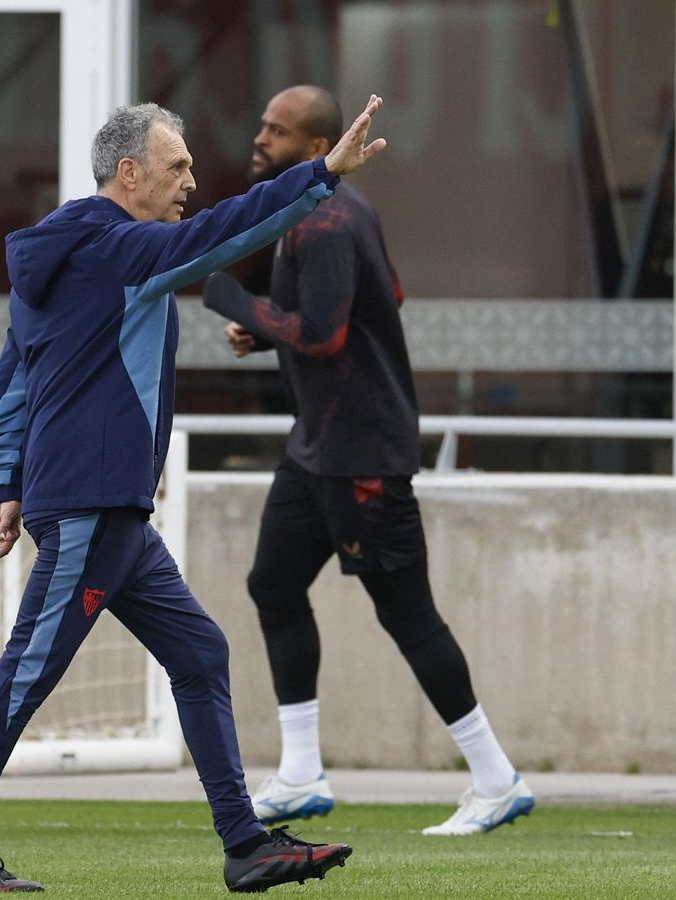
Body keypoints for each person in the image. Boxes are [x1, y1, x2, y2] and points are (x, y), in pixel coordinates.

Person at [0, 96, 389, 894]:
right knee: (27, 672)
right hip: (91, 508)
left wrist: (6, 481)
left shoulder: (61, 251)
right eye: (178, 168)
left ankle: (245, 845)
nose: (191, 182)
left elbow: (15, 378)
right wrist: (320, 176)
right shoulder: (119, 250)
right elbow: (220, 235)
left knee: (201, 653)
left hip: (108, 511)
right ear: (128, 174)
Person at [199, 85, 532, 837]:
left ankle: (495, 778)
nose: (259, 140)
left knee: (406, 614)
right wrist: (271, 328)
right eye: (262, 125)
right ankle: (300, 771)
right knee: (273, 584)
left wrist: (236, 304)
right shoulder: (313, 211)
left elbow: (322, 335)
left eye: (276, 132)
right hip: (317, 446)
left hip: (361, 453)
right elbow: (382, 301)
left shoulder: (326, 220)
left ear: (317, 151)